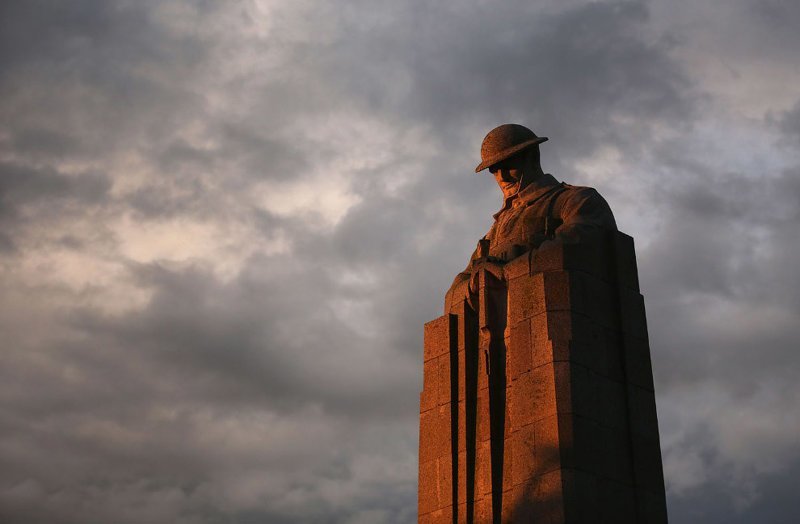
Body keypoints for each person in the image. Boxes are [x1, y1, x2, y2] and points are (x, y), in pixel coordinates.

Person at [445, 124, 618, 311]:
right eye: (494, 170)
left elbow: (576, 248)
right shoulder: (492, 234)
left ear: (533, 157)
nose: (502, 177)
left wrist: (507, 270)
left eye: (509, 165)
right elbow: (454, 291)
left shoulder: (577, 200)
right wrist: (476, 283)